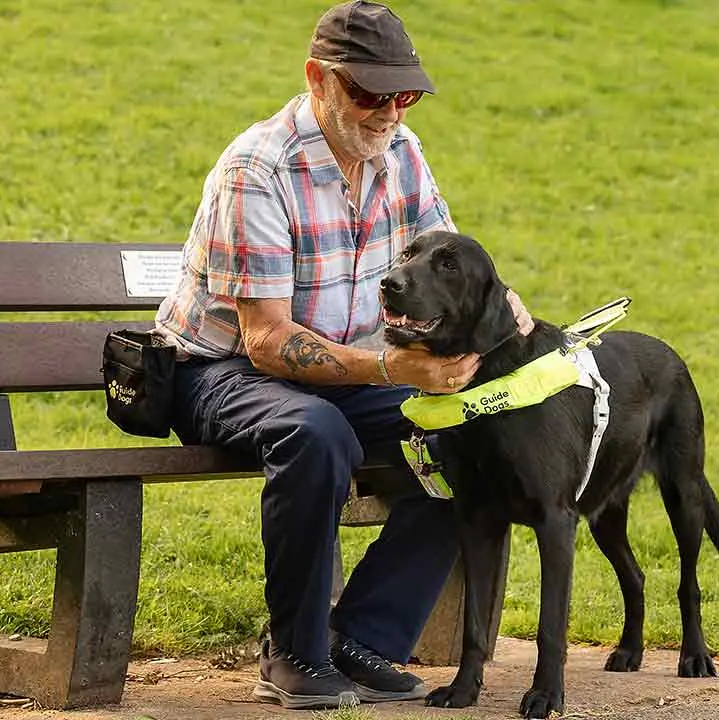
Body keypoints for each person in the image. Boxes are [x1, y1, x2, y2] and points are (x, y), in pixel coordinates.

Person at [155, 0, 531, 710]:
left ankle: (363, 638)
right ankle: (294, 652)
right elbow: (265, 340)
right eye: (366, 92)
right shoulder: (257, 170)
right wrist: (392, 367)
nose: (388, 112)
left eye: (404, 94)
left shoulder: (401, 155)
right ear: (317, 80)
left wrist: (516, 320)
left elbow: (454, 267)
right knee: (313, 431)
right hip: (217, 370)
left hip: (343, 367)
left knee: (475, 429)